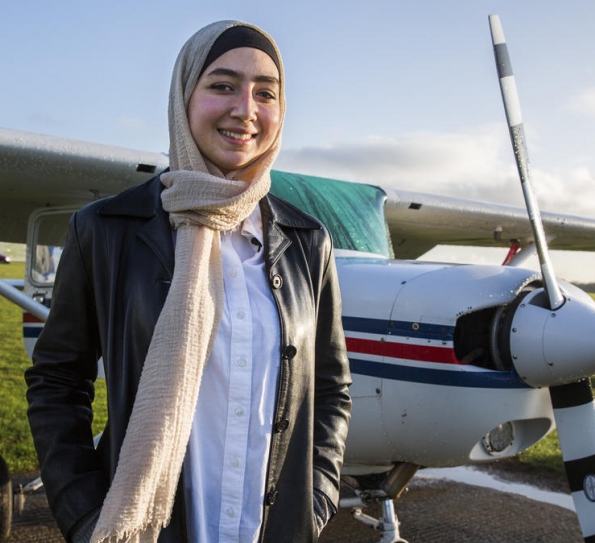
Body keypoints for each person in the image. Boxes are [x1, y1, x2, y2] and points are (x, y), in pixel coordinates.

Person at [25, 20, 352, 543]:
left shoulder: (306, 240)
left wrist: (316, 498)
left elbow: (331, 388)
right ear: (183, 97)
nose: (245, 109)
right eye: (222, 85)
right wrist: (85, 515)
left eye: (265, 93)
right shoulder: (105, 230)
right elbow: (58, 383)